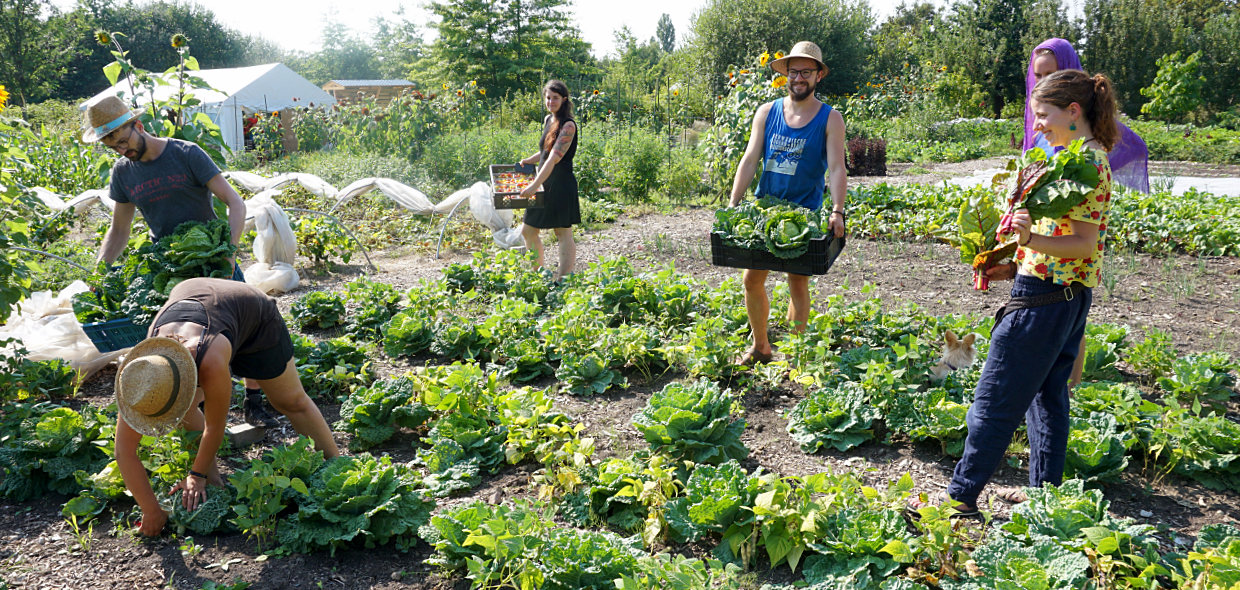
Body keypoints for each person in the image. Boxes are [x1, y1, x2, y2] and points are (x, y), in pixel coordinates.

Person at [921, 70, 1118, 515]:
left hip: (1045, 303)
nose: (1039, 126)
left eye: (1044, 115)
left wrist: (1028, 244)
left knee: (993, 400)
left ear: (1074, 111)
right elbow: (1065, 245)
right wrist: (1013, 265)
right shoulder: (1076, 158)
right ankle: (1044, 499)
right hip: (1060, 296)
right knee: (1047, 400)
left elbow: (1084, 243)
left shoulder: (1088, 164)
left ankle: (959, 498)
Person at [82, 96, 275, 427]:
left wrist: (228, 251)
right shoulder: (123, 173)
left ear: (138, 126)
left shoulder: (186, 154)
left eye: (124, 142)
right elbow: (119, 230)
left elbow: (235, 203)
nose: (121, 150)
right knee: (184, 341)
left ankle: (254, 401)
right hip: (170, 267)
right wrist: (99, 271)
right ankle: (195, 410)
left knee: (246, 330)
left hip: (215, 256)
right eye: (113, 146)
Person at [113, 278, 341, 537]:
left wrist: (195, 474)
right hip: (203, 306)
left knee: (289, 401)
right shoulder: (142, 373)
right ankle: (215, 483)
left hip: (252, 314)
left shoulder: (209, 360)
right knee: (183, 411)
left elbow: (215, 425)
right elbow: (124, 451)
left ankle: (337, 468)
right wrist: (151, 510)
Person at [1024, 38, 1149, 388]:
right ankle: (1061, 394)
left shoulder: (1085, 148)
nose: (1043, 79)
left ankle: (1069, 389)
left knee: (1066, 332)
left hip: (1064, 265)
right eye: (1039, 74)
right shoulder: (1051, 127)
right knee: (1051, 369)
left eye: (1052, 72)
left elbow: (1083, 241)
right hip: (1046, 258)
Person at [727, 41, 847, 365]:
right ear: (786, 75)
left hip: (803, 214)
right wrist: (734, 202)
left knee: (797, 282)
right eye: (794, 72)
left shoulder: (830, 119)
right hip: (764, 209)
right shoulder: (766, 112)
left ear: (818, 76)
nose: (799, 78)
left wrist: (837, 210)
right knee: (751, 279)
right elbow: (750, 158)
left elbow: (837, 167)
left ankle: (795, 357)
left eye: (806, 72)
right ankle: (761, 347)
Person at [1024, 38, 1149, 193]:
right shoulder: (1043, 132)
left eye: (1050, 74)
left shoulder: (1091, 145)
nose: (1042, 82)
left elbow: (1135, 148)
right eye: (1038, 75)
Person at [518, 80, 579, 281]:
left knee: (562, 232)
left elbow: (554, 157)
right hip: (544, 181)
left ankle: (563, 278)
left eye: (555, 98)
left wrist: (534, 185)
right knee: (528, 230)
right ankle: (540, 275)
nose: (550, 101)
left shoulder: (568, 125)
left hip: (561, 185)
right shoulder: (548, 120)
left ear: (564, 100)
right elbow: (545, 151)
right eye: (548, 97)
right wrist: (529, 160)